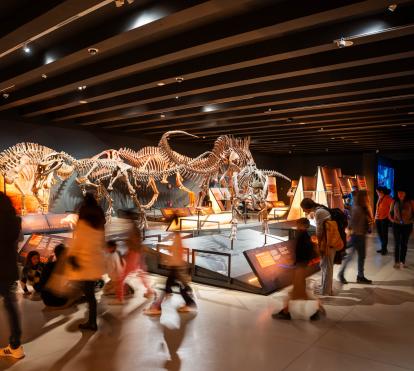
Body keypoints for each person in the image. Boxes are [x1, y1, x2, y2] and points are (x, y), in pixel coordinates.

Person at [66, 193, 106, 331]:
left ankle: (92, 322)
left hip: (85, 263)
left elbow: (78, 242)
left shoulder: (83, 223)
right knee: (90, 294)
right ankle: (92, 320)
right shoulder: (99, 223)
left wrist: (72, 257)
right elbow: (101, 242)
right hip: (94, 263)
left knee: (89, 294)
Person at [273, 218, 322, 320]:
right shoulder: (304, 236)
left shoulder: (303, 237)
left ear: (303, 226)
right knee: (297, 292)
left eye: (298, 224)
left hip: (301, 267)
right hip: (301, 266)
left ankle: (286, 312)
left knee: (298, 293)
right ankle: (286, 311)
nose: (297, 226)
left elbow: (302, 252)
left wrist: (297, 264)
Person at [144, 223, 196, 315]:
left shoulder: (177, 238)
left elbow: (178, 253)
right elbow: (178, 251)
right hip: (176, 267)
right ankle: (190, 303)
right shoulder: (177, 237)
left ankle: (156, 308)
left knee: (168, 288)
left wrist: (173, 263)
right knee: (172, 288)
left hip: (176, 268)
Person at [0, 192, 24, 359]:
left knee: (9, 304)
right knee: (10, 304)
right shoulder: (14, 222)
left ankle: (15, 345)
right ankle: (16, 344)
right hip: (7, 269)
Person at [110, 220, 153, 305]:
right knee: (141, 274)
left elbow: (133, 244)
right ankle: (150, 291)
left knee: (121, 277)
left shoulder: (133, 230)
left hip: (133, 255)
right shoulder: (135, 229)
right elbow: (136, 244)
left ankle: (120, 299)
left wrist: (127, 244)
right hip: (136, 254)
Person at [300, 198, 334, 296]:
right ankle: (324, 287)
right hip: (327, 241)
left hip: (327, 242)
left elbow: (319, 231)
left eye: (303, 208)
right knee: (324, 265)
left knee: (327, 266)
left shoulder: (319, 212)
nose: (303, 211)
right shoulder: (320, 210)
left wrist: (318, 244)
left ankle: (326, 291)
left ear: (307, 207)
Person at [337, 190, 372, 284]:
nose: (367, 198)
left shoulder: (361, 207)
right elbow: (351, 223)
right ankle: (341, 274)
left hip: (361, 235)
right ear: (362, 197)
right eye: (366, 196)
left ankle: (360, 276)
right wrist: (349, 233)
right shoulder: (357, 208)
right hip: (356, 236)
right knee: (351, 257)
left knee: (361, 257)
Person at [389, 189, 414, 268]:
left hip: (407, 225)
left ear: (405, 193)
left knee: (404, 244)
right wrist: (392, 220)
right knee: (397, 243)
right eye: (399, 192)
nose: (400, 194)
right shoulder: (394, 201)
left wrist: (411, 221)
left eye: (402, 192)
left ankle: (402, 261)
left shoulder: (411, 202)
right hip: (396, 225)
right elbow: (390, 213)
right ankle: (396, 261)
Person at [375, 186, 393, 255]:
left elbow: (392, 208)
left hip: (384, 219)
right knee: (380, 234)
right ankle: (383, 248)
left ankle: (384, 249)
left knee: (384, 235)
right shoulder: (380, 198)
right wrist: (375, 218)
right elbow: (378, 208)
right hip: (378, 219)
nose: (377, 193)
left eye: (377, 191)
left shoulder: (388, 198)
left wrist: (388, 215)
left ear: (381, 191)